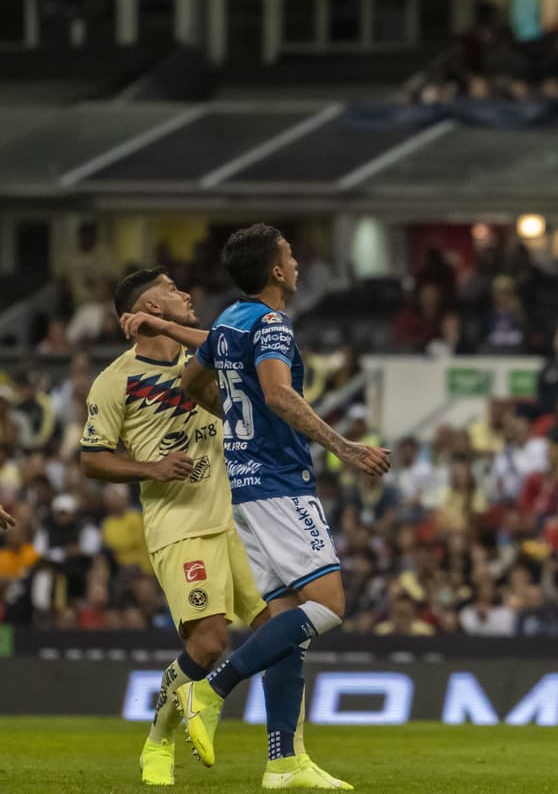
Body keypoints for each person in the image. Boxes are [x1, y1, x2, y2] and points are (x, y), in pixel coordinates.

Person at [84, 267, 346, 787]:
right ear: (149, 308)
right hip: (180, 523)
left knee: (284, 632)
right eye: (171, 289)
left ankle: (285, 761)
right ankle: (159, 738)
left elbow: (233, 346)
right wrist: (150, 468)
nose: (186, 293)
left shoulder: (205, 360)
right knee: (208, 645)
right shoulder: (116, 380)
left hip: (242, 516)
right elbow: (93, 459)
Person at [165, 225, 390, 781]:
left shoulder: (227, 323)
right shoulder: (270, 323)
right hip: (280, 483)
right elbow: (277, 392)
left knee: (286, 619)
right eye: (290, 256)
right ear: (276, 272)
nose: (296, 263)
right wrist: (345, 448)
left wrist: (240, 432)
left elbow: (192, 386)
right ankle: (212, 691)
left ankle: (284, 762)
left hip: (242, 485)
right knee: (330, 604)